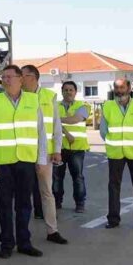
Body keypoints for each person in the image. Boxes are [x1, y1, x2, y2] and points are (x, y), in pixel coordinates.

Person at [0, 65, 47, 259]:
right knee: (4, 204)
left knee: (24, 204)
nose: (6, 80)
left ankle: (24, 242)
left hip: (26, 160)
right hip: (3, 162)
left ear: (20, 79)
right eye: (3, 77)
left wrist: (41, 159)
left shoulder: (33, 100)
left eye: (10, 76)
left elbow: (41, 132)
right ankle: (6, 243)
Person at [21, 65, 68, 245]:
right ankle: (23, 234)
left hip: (46, 154)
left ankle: (52, 230)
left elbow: (56, 125)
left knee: (47, 192)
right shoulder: (18, 97)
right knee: (24, 194)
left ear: (33, 77)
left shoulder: (49, 96)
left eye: (22, 76)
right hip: (24, 152)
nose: (20, 79)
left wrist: (57, 149)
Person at [101, 78, 133, 230]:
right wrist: (112, 141)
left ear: (129, 89)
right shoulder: (108, 106)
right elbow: (103, 130)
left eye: (122, 87)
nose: (119, 91)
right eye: (116, 88)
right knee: (113, 187)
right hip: (115, 152)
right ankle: (113, 220)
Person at [53, 81, 89, 212]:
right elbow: (51, 124)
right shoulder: (55, 106)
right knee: (57, 178)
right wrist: (66, 133)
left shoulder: (83, 106)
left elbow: (76, 119)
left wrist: (57, 119)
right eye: (66, 90)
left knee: (78, 177)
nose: (68, 92)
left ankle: (80, 203)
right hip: (59, 148)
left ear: (75, 92)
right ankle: (57, 202)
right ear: (62, 92)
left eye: (71, 90)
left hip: (77, 148)